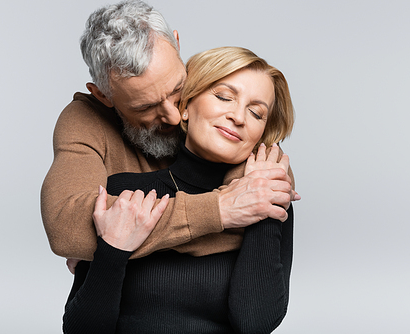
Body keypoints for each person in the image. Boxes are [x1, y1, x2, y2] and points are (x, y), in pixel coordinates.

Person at [40, 0, 298, 269]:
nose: (174, 116)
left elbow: (263, 197)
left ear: (176, 44)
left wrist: (111, 249)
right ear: (104, 95)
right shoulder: (85, 119)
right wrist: (221, 210)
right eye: (146, 107)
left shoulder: (214, 96)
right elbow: (66, 227)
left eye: (177, 89)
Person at [63, 46, 296, 333]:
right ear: (184, 107)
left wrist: (263, 204)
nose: (238, 117)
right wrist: (111, 253)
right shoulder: (124, 194)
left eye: (257, 113)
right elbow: (79, 329)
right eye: (224, 97)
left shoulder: (270, 202)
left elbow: (254, 323)